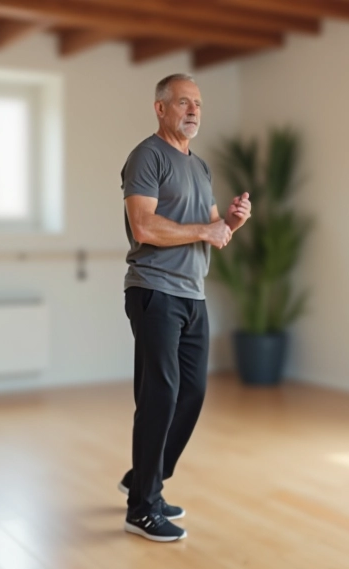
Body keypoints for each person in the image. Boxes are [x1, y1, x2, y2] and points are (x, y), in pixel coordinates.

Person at [119, 73, 252, 542]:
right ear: (160, 108)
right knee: (160, 394)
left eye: (197, 103)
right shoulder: (147, 156)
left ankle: (145, 479)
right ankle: (142, 507)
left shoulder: (199, 167)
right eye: (182, 103)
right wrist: (206, 231)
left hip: (192, 294)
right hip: (155, 290)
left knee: (190, 394)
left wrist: (230, 220)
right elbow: (144, 227)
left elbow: (213, 229)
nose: (193, 110)